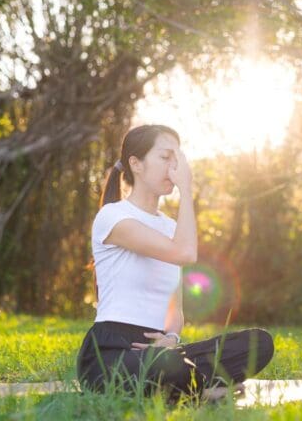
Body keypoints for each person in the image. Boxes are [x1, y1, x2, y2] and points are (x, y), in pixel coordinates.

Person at [76, 124, 274, 404]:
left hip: (162, 351)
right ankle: (200, 392)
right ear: (136, 164)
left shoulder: (171, 227)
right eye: (165, 157)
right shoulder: (113, 216)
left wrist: (171, 336)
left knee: (258, 343)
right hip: (111, 351)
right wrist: (187, 188)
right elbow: (185, 253)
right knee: (172, 367)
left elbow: (175, 309)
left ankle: (186, 386)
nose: (174, 166)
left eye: (177, 158)